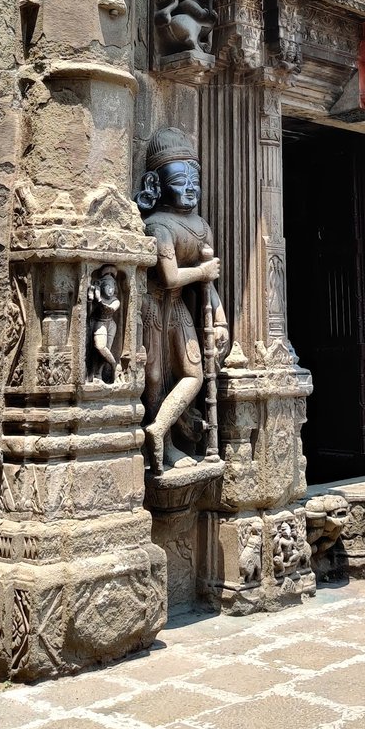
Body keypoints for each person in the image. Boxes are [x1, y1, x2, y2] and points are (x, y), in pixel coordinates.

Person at [135, 127, 228, 473]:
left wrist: (219, 321)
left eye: (195, 180)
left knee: (194, 374)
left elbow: (209, 283)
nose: (190, 187)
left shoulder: (201, 226)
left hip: (177, 307)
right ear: (157, 185)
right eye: (179, 180)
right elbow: (172, 276)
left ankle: (158, 429)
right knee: (155, 377)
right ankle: (164, 446)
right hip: (152, 306)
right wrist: (203, 273)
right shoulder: (158, 226)